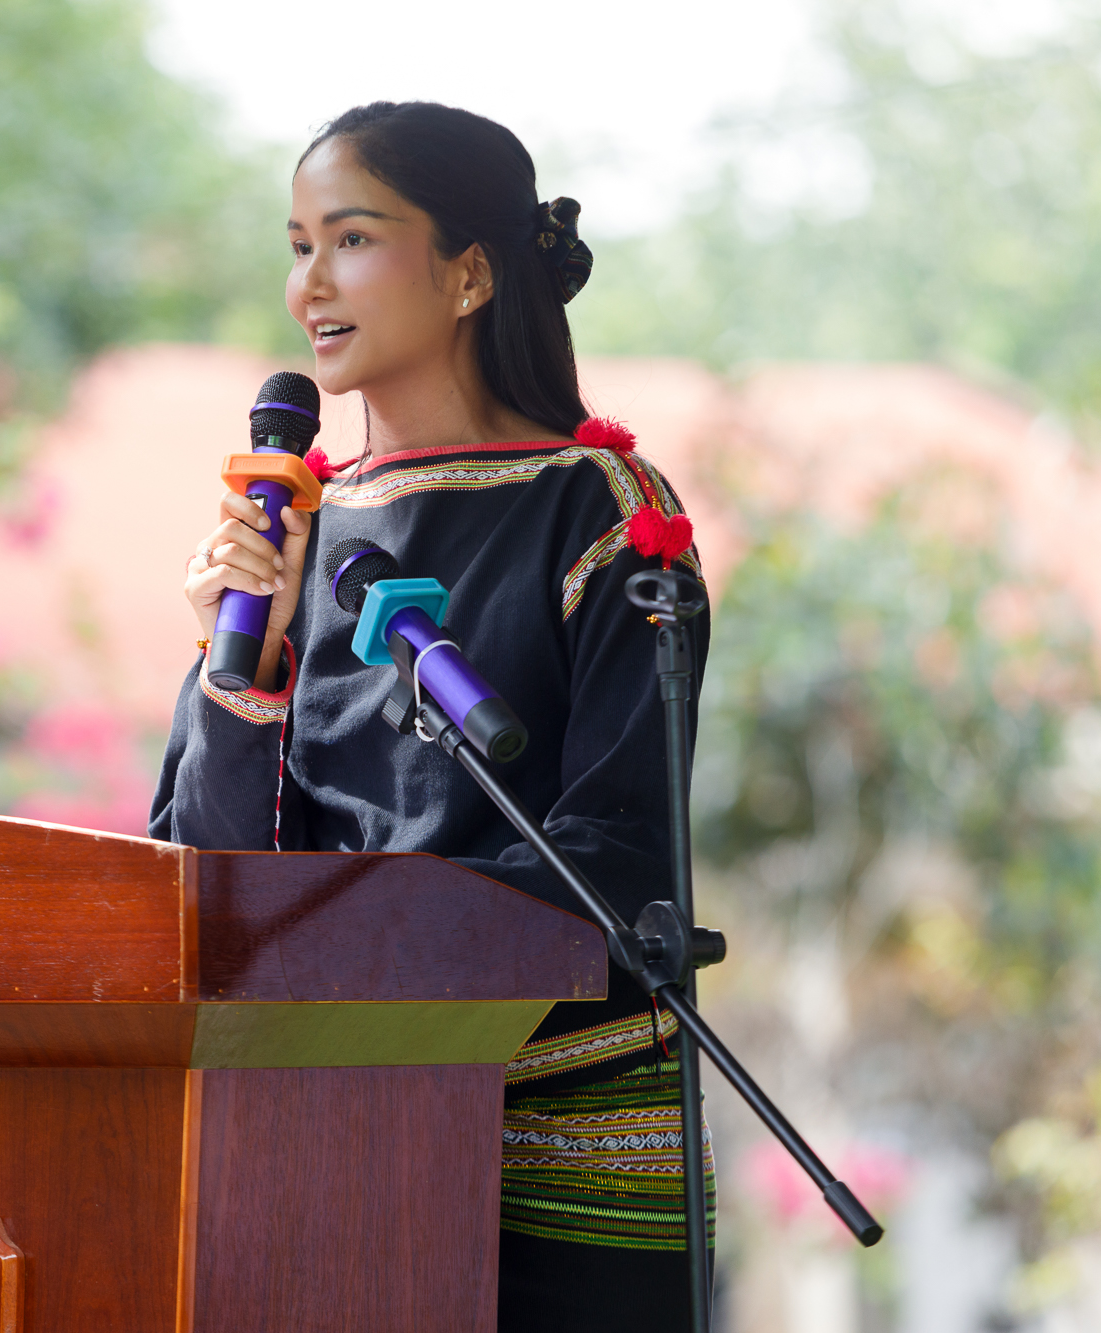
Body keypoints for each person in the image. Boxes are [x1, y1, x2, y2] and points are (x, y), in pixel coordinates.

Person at [148, 101, 713, 1332]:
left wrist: (341, 938)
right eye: (297, 245)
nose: (308, 284)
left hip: (564, 1131)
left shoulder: (601, 507)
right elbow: (199, 877)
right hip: (328, 1121)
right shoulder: (290, 533)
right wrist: (242, 667)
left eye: (350, 239)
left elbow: (617, 851)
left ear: (468, 274)